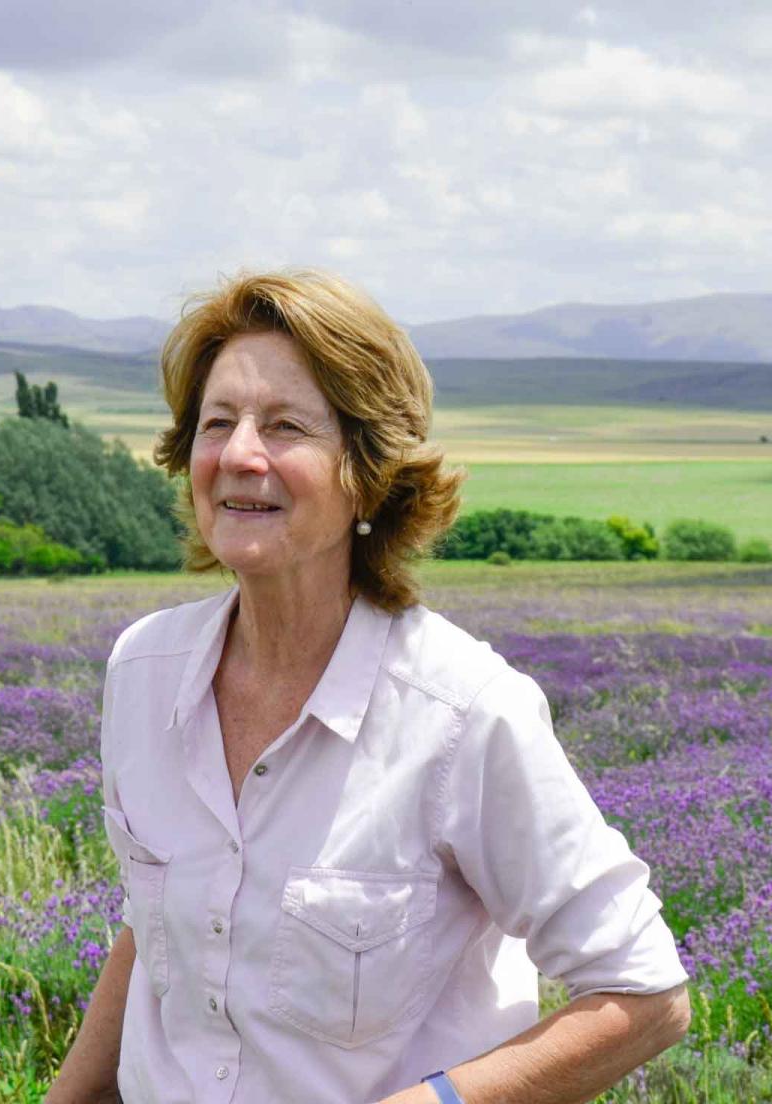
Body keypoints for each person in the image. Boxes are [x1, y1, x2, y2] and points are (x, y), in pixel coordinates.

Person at [45, 270, 690, 1104]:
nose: (241, 454)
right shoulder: (143, 672)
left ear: (368, 473)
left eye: (284, 426)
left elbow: (645, 996)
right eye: (217, 422)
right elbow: (163, 930)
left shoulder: (462, 714)